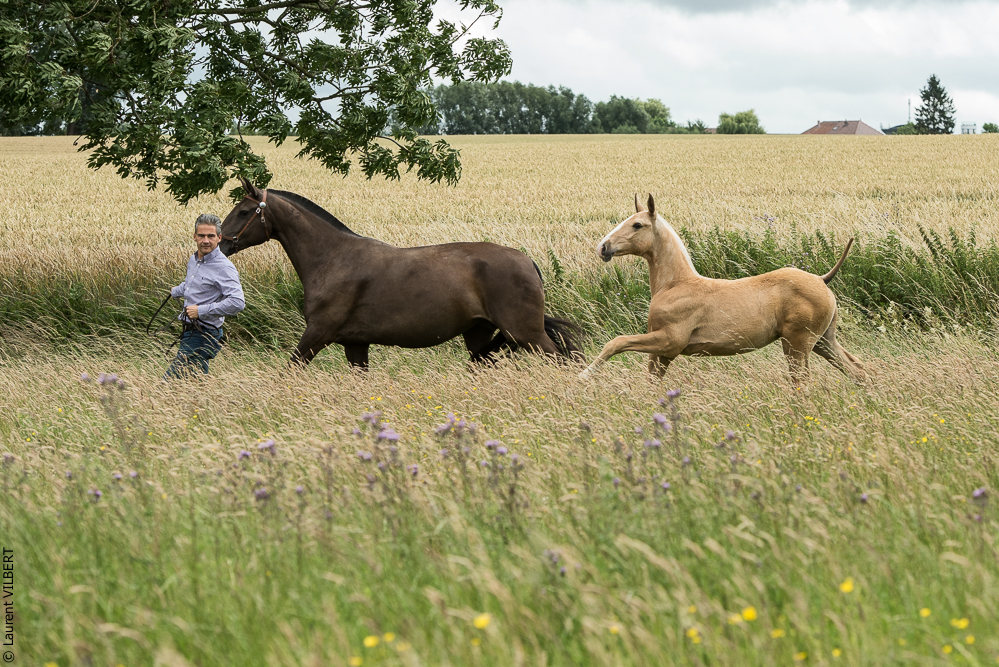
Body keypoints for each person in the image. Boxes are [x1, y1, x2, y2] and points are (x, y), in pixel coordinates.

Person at [163, 214, 245, 379]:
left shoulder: (224, 267)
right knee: (196, 382)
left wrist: (201, 310)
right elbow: (193, 285)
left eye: (210, 236)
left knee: (169, 384)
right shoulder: (194, 260)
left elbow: (238, 302)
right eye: (201, 236)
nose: (205, 240)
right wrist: (176, 291)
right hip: (190, 331)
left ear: (219, 238)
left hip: (204, 333)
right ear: (194, 237)